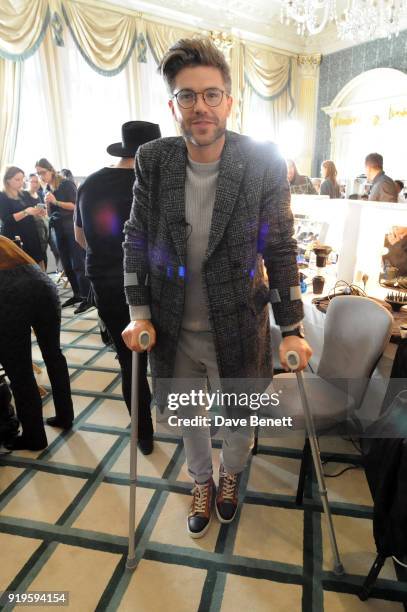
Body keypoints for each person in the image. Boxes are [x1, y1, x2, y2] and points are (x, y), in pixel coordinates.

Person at [122, 38, 312, 538]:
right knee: (189, 419)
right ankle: (201, 481)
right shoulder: (154, 160)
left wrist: (290, 326)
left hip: (238, 322)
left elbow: (281, 247)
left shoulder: (261, 161)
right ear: (173, 106)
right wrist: (137, 310)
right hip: (171, 325)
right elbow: (136, 237)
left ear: (229, 101)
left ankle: (231, 476)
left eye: (211, 95)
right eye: (188, 96)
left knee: (238, 419)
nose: (200, 106)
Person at [74, 121, 161, 455]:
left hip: (106, 282)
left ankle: (143, 433)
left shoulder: (91, 183)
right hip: (153, 283)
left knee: (129, 360)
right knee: (167, 355)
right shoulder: (155, 182)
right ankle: (176, 415)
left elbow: (80, 238)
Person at [0, 236, 74, 450]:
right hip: (42, 284)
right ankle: (65, 416)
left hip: (9, 293)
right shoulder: (4, 240)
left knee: (19, 370)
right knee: (54, 356)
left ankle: (34, 437)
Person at [35, 158, 91, 313]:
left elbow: (75, 206)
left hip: (71, 228)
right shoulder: (47, 188)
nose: (41, 177)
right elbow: (51, 212)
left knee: (78, 264)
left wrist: (56, 201)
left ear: (51, 170)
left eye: (43, 173)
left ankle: (88, 297)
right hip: (58, 229)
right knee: (66, 265)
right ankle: (77, 294)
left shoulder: (66, 184)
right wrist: (44, 209)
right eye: (38, 174)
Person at [0, 166, 46, 266]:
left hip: (31, 235)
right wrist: (26, 212)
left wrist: (38, 212)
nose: (21, 182)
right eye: (17, 179)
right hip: (15, 237)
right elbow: (7, 219)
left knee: (37, 264)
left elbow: (31, 210)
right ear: (7, 180)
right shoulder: (2, 196)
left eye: (22, 179)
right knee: (22, 267)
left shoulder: (24, 194)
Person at [23, 173, 49, 267]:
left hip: (42, 230)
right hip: (30, 231)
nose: (35, 184)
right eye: (32, 181)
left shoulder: (39, 195)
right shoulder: (24, 194)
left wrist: (44, 212)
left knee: (43, 256)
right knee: (34, 258)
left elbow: (44, 213)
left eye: (37, 182)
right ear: (27, 182)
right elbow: (24, 212)